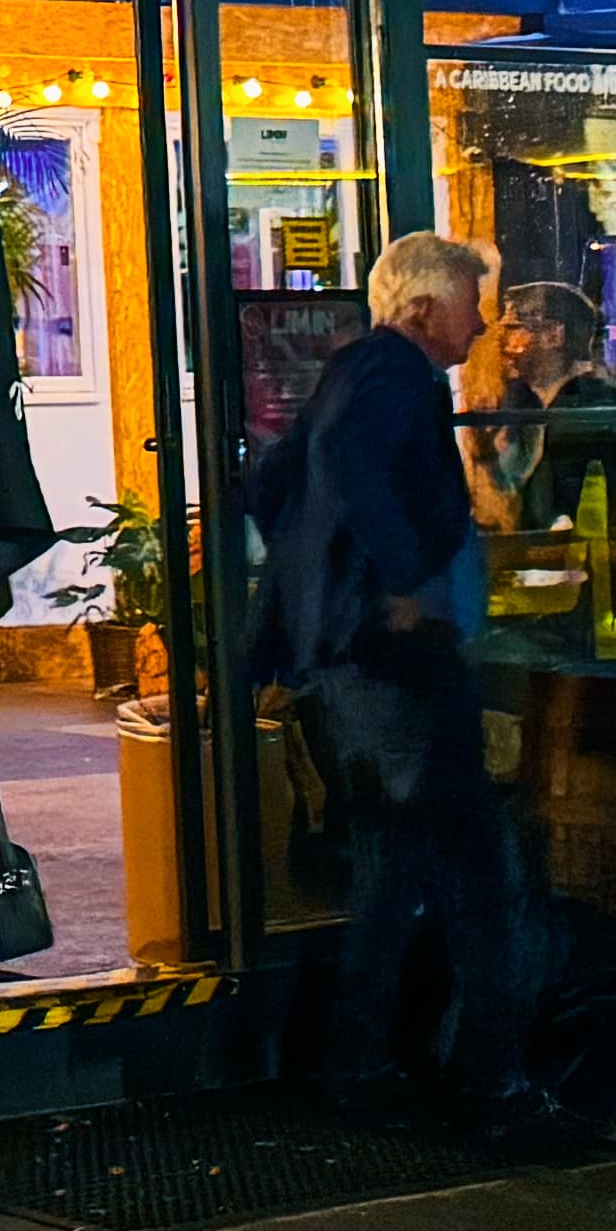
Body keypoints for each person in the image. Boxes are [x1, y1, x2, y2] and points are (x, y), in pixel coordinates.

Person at [252, 229, 557, 1143]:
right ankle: (490, 1078)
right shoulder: (389, 371)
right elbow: (343, 469)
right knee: (475, 865)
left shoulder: (363, 370)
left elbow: (270, 482)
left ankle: (362, 1060)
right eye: (472, 301)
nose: (483, 321)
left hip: (356, 657)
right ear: (424, 307)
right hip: (393, 661)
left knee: (393, 869)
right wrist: (401, 582)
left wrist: (324, 585)